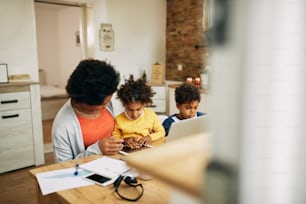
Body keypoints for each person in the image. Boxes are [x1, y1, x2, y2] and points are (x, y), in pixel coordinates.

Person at [52, 59, 123, 162]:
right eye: (103, 104)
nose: (107, 105)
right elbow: (63, 167)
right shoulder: (63, 126)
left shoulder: (106, 98)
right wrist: (97, 150)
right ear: (84, 101)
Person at [112, 75, 165, 149]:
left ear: (144, 104)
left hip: (147, 148)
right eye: (130, 110)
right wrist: (124, 140)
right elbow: (115, 137)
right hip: (127, 149)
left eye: (138, 109)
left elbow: (161, 132)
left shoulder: (151, 115)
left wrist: (150, 137)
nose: (134, 114)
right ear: (124, 105)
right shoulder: (118, 120)